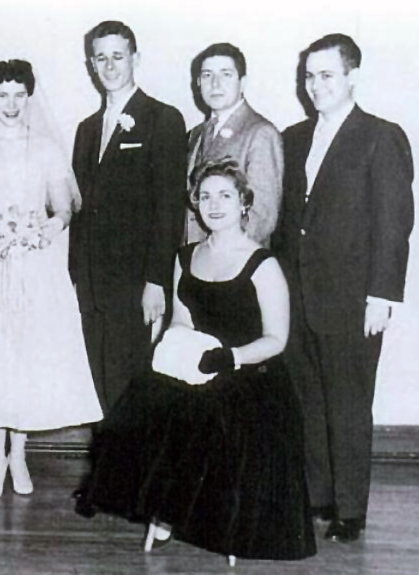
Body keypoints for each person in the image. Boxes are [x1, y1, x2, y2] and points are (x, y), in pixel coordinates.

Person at [79, 158, 317, 562]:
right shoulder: (184, 256)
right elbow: (182, 318)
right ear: (195, 204)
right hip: (199, 362)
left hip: (249, 370)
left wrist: (229, 358)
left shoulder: (264, 263)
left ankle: (195, 515)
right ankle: (166, 508)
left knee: (208, 415)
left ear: (244, 203)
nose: (214, 204)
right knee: (140, 403)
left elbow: (276, 339)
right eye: (205, 196)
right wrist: (176, 350)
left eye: (225, 195)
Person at [0, 60, 102, 499]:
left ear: (30, 97)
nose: (10, 103)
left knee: (27, 355)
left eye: (19, 95)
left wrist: (43, 229)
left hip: (35, 261)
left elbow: (64, 207)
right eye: (2, 94)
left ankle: (20, 454)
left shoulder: (46, 147)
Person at [273, 34, 414, 543]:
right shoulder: (291, 138)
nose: (315, 85)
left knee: (349, 404)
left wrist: (383, 294)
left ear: (353, 75)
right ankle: (320, 497)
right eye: (309, 76)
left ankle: (350, 511)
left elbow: (395, 222)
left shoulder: (381, 136)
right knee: (308, 401)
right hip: (297, 296)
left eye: (326, 74)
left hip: (353, 299)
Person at [70, 20, 188, 414]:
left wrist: (156, 281)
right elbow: (81, 209)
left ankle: (133, 476)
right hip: (91, 286)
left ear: (135, 58)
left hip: (136, 282)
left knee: (132, 388)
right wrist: (74, 276)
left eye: (117, 56)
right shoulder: (86, 130)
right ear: (91, 64)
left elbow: (169, 207)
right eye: (100, 58)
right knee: (99, 389)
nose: (109, 66)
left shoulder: (163, 119)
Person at [185, 43, 283, 246]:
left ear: (242, 82)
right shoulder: (196, 134)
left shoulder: (260, 132)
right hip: (195, 260)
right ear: (198, 83)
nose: (215, 84)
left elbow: (262, 217)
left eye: (226, 74)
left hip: (234, 265)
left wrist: (223, 260)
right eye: (207, 75)